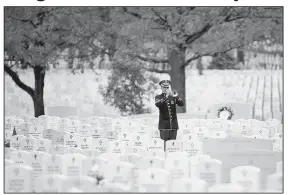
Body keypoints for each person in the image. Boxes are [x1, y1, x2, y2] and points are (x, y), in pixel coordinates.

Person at [154, 80, 184, 151]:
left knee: (172, 147)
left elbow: (181, 104)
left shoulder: (172, 97)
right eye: (164, 87)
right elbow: (158, 104)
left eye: (167, 87)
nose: (166, 89)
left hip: (173, 126)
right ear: (161, 88)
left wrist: (176, 96)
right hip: (164, 126)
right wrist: (165, 97)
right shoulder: (158, 97)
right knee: (164, 147)